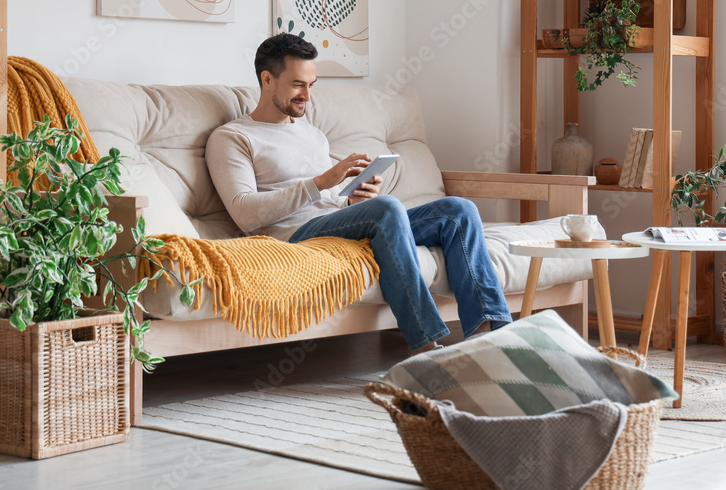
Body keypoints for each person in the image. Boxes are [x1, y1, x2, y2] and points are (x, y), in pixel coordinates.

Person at [205, 34, 512, 353]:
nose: (307, 96)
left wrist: (353, 199)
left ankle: (489, 334)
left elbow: (332, 202)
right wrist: (322, 182)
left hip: (338, 224)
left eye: (311, 85)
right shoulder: (232, 138)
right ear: (267, 79)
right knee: (387, 208)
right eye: (298, 84)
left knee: (457, 211)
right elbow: (245, 213)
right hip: (292, 236)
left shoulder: (311, 134)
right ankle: (426, 342)